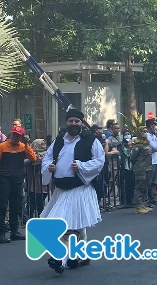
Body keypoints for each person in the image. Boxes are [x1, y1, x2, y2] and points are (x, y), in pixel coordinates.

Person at [40, 110, 105, 273]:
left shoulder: (90, 141)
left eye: (77, 121)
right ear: (66, 122)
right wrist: (50, 166)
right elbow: (47, 158)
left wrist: (82, 166)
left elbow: (99, 160)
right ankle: (81, 255)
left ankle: (59, 258)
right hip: (60, 189)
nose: (74, 124)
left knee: (64, 225)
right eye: (71, 121)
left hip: (79, 189)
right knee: (76, 223)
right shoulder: (58, 141)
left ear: (82, 123)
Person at [0, 126, 36, 243]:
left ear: (21, 137)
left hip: (17, 178)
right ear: (11, 134)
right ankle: (1, 232)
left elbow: (33, 158)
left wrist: (26, 145)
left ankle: (14, 231)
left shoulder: (22, 147)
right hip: (4, 178)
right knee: (3, 205)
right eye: (14, 134)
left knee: (15, 205)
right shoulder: (2, 146)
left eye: (18, 135)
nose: (15, 137)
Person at [130, 126, 154, 214]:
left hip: (148, 168)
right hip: (141, 169)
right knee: (139, 187)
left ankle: (144, 204)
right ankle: (138, 206)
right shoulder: (137, 145)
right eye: (143, 131)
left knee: (146, 187)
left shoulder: (146, 144)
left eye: (146, 131)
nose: (145, 133)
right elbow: (132, 158)